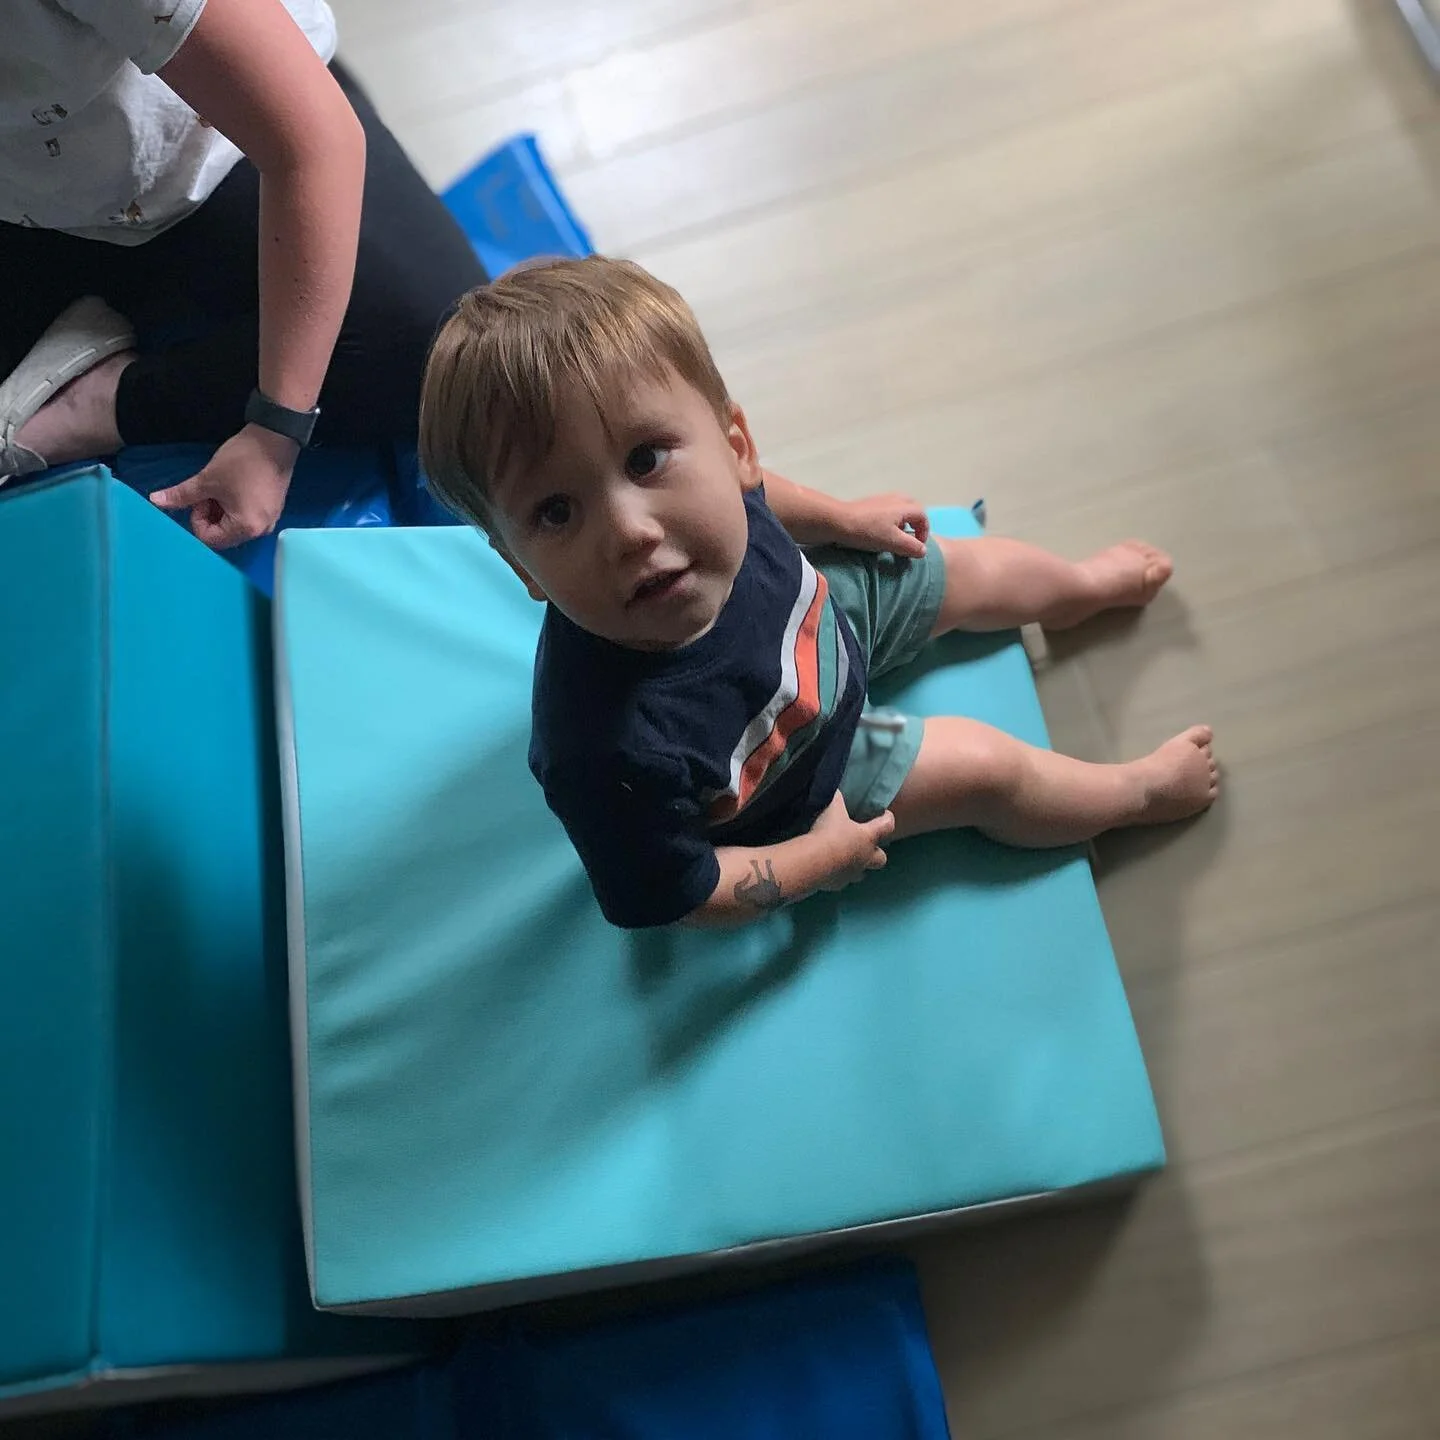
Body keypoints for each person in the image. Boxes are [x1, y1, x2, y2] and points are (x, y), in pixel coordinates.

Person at [418, 257, 1219, 930]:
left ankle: (1074, 590)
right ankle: (1134, 793)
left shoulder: (723, 508)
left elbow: (761, 493)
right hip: (802, 774)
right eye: (556, 512)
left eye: (645, 460)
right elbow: (678, 893)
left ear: (734, 444)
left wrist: (842, 518)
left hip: (815, 617)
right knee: (986, 768)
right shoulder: (604, 750)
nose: (627, 529)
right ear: (519, 566)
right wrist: (811, 863)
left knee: (965, 565)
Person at [0, 0, 485, 548]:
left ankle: (104, 401)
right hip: (33, 204)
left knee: (449, 359)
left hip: (213, 151)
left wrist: (276, 431)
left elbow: (314, 143)